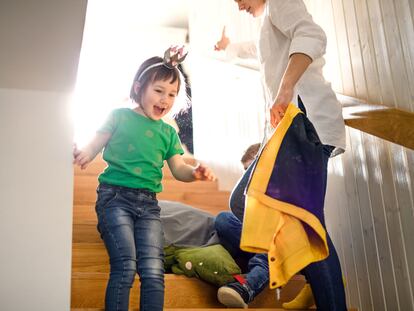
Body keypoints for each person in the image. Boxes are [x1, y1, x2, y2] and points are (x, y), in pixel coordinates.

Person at [214, 0, 347, 310]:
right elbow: (258, 49)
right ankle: (317, 275)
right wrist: (230, 47)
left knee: (288, 217)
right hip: (291, 129)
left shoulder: (280, 2)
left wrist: (286, 89)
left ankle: (318, 276)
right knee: (281, 216)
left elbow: (312, 35)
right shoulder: (270, 20)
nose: (238, 4)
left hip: (303, 123)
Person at [73, 47, 215, 311]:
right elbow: (93, 146)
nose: (165, 99)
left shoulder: (168, 132)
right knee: (126, 265)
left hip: (149, 206)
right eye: (159, 91)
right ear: (139, 87)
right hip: (114, 199)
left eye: (172, 94)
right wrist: (82, 153)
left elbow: (179, 168)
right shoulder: (118, 116)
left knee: (153, 271)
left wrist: (194, 174)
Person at [216, 143, 316, 309]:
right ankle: (251, 276)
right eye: (245, 171)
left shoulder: (286, 187)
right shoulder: (253, 199)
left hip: (285, 247)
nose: (247, 176)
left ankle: (247, 287)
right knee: (223, 219)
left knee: (274, 245)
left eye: (249, 169)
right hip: (259, 243)